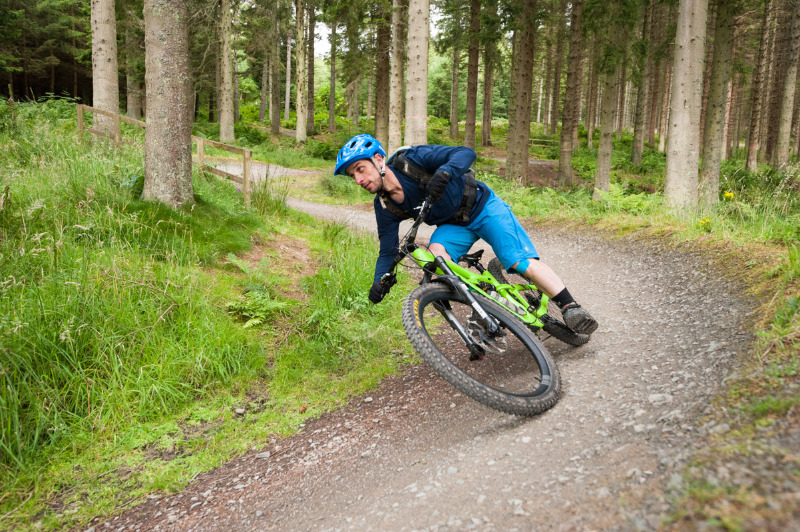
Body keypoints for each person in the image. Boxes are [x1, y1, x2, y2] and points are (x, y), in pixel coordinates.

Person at [334, 134, 598, 335]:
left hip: (483, 207)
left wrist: (446, 171)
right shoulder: (384, 206)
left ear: (378, 160)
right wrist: (379, 281)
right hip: (453, 226)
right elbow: (388, 250)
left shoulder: (411, 160)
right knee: (437, 262)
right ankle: (489, 298)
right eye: (352, 175)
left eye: (360, 169)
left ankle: (570, 307)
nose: (358, 179)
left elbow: (465, 153)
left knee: (518, 261)